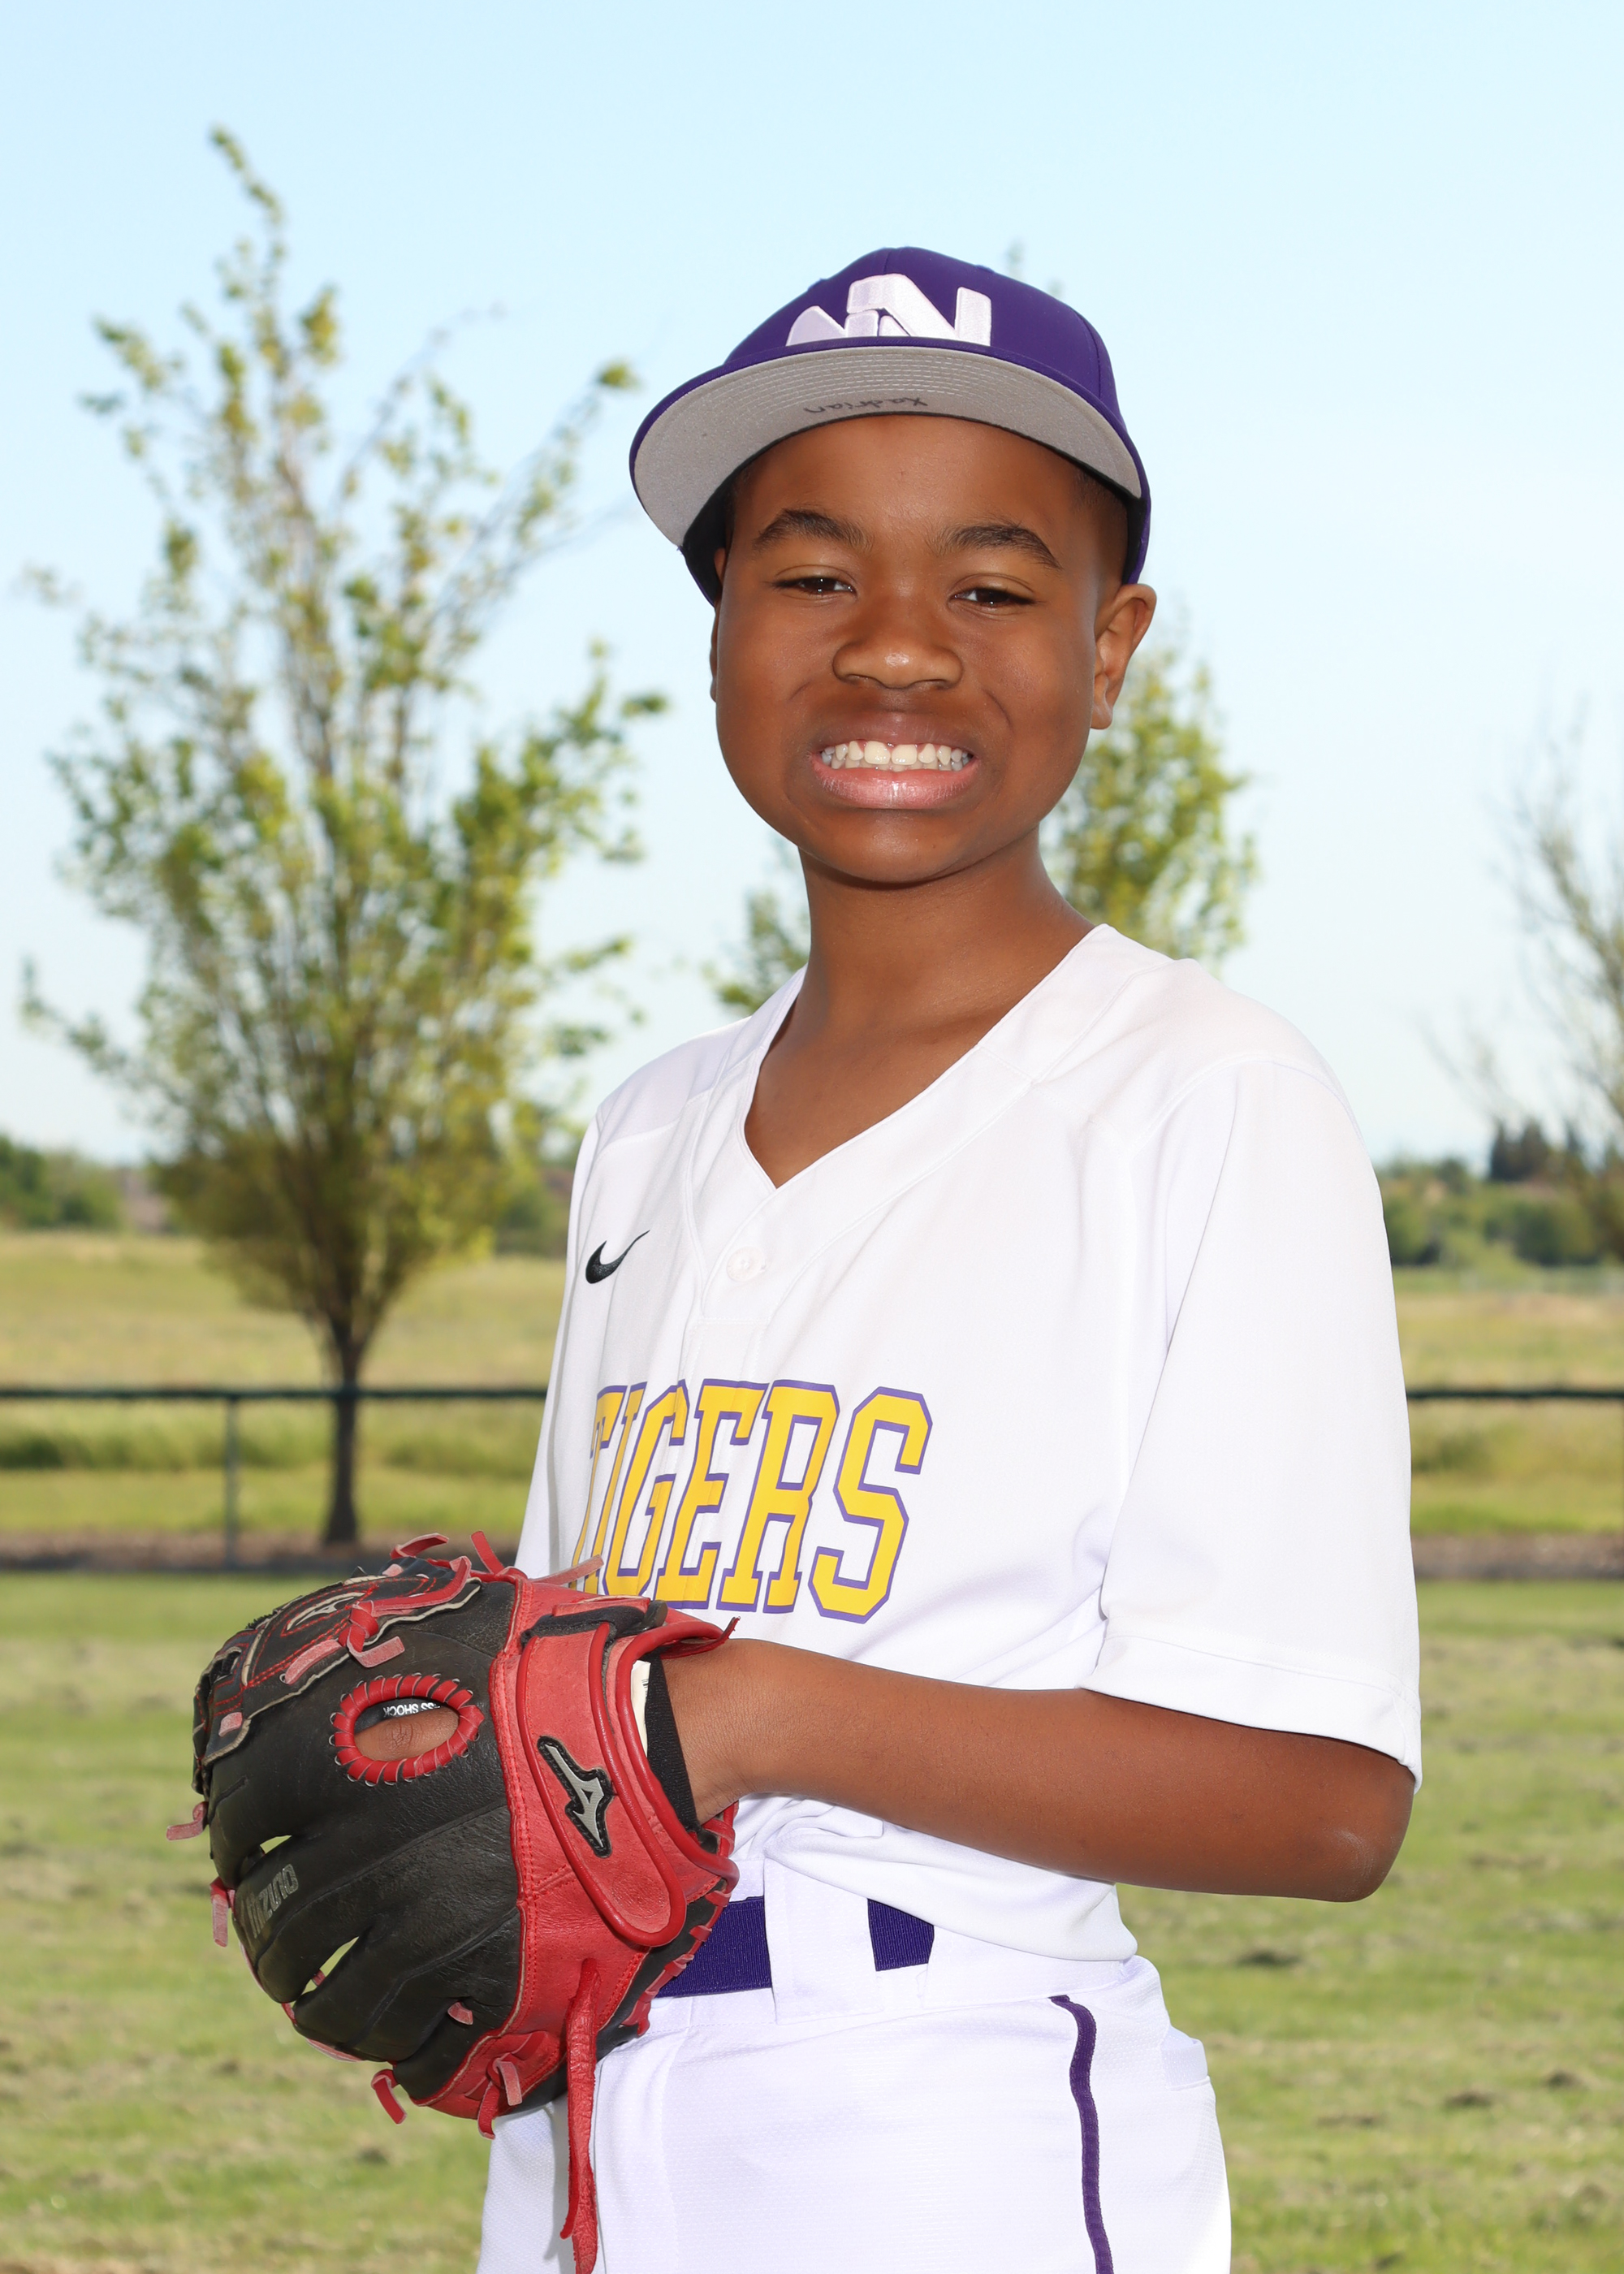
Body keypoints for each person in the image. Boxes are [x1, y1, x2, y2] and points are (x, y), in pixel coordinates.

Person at [477, 249, 1419, 2274]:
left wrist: (757, 1714)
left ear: (1112, 645)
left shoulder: (1203, 1094)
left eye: (991, 587)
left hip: (951, 2101)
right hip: (595, 2101)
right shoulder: (648, 1124)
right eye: (812, 573)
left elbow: (1326, 1798)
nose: (896, 646)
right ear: (719, 634)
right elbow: (574, 1680)